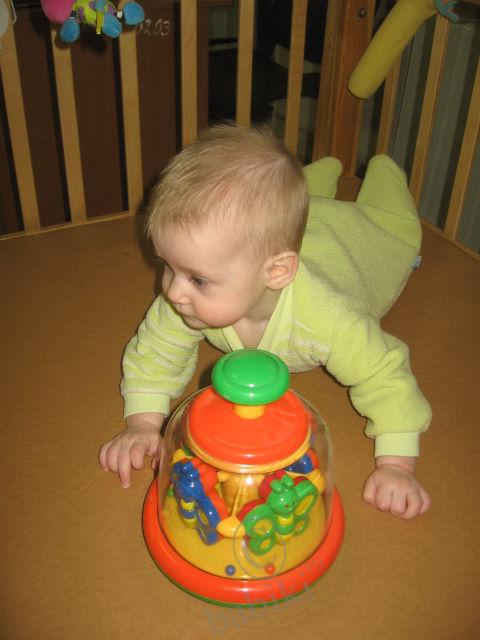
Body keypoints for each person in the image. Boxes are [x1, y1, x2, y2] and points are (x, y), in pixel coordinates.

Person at [99, 123, 432, 519]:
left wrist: (397, 466)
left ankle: (383, 168)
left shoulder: (329, 318)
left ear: (275, 273)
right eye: (167, 266)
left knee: (391, 223)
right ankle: (314, 183)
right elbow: (155, 350)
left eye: (197, 279)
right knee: (285, 211)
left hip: (354, 245)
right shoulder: (191, 298)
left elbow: (383, 372)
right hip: (297, 236)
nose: (172, 291)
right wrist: (142, 424)